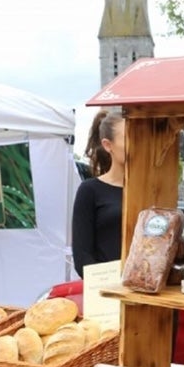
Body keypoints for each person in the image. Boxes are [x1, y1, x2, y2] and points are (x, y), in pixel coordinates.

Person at [71, 109, 125, 278]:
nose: (138, 143)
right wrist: (109, 283)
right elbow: (82, 257)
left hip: (149, 292)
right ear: (108, 145)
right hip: (106, 291)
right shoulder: (90, 190)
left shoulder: (151, 189)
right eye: (128, 138)